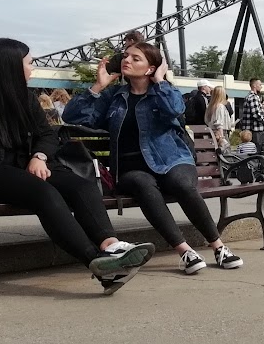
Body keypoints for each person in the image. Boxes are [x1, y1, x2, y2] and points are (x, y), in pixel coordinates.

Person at [64, 40, 243, 274]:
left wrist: (159, 80)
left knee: (181, 184)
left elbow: (175, 109)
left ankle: (218, 247)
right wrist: (98, 86)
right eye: (126, 56)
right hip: (131, 168)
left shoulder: (163, 91)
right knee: (142, 185)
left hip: (171, 159)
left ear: (150, 68)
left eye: (135, 58)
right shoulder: (114, 96)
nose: (127, 60)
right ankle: (185, 252)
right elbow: (72, 116)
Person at [0, 38, 156, 292]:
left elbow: (46, 134)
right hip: (0, 170)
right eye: (28, 63)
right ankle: (97, 261)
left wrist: (39, 156)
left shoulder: (24, 97)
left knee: (81, 185)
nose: (33, 68)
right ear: (10, 67)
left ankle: (111, 246)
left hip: (29, 164)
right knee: (44, 193)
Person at [205, 86, 234, 152]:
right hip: (221, 133)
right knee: (226, 152)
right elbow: (219, 123)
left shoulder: (209, 106)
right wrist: (222, 137)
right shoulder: (220, 106)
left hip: (212, 132)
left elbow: (207, 121)